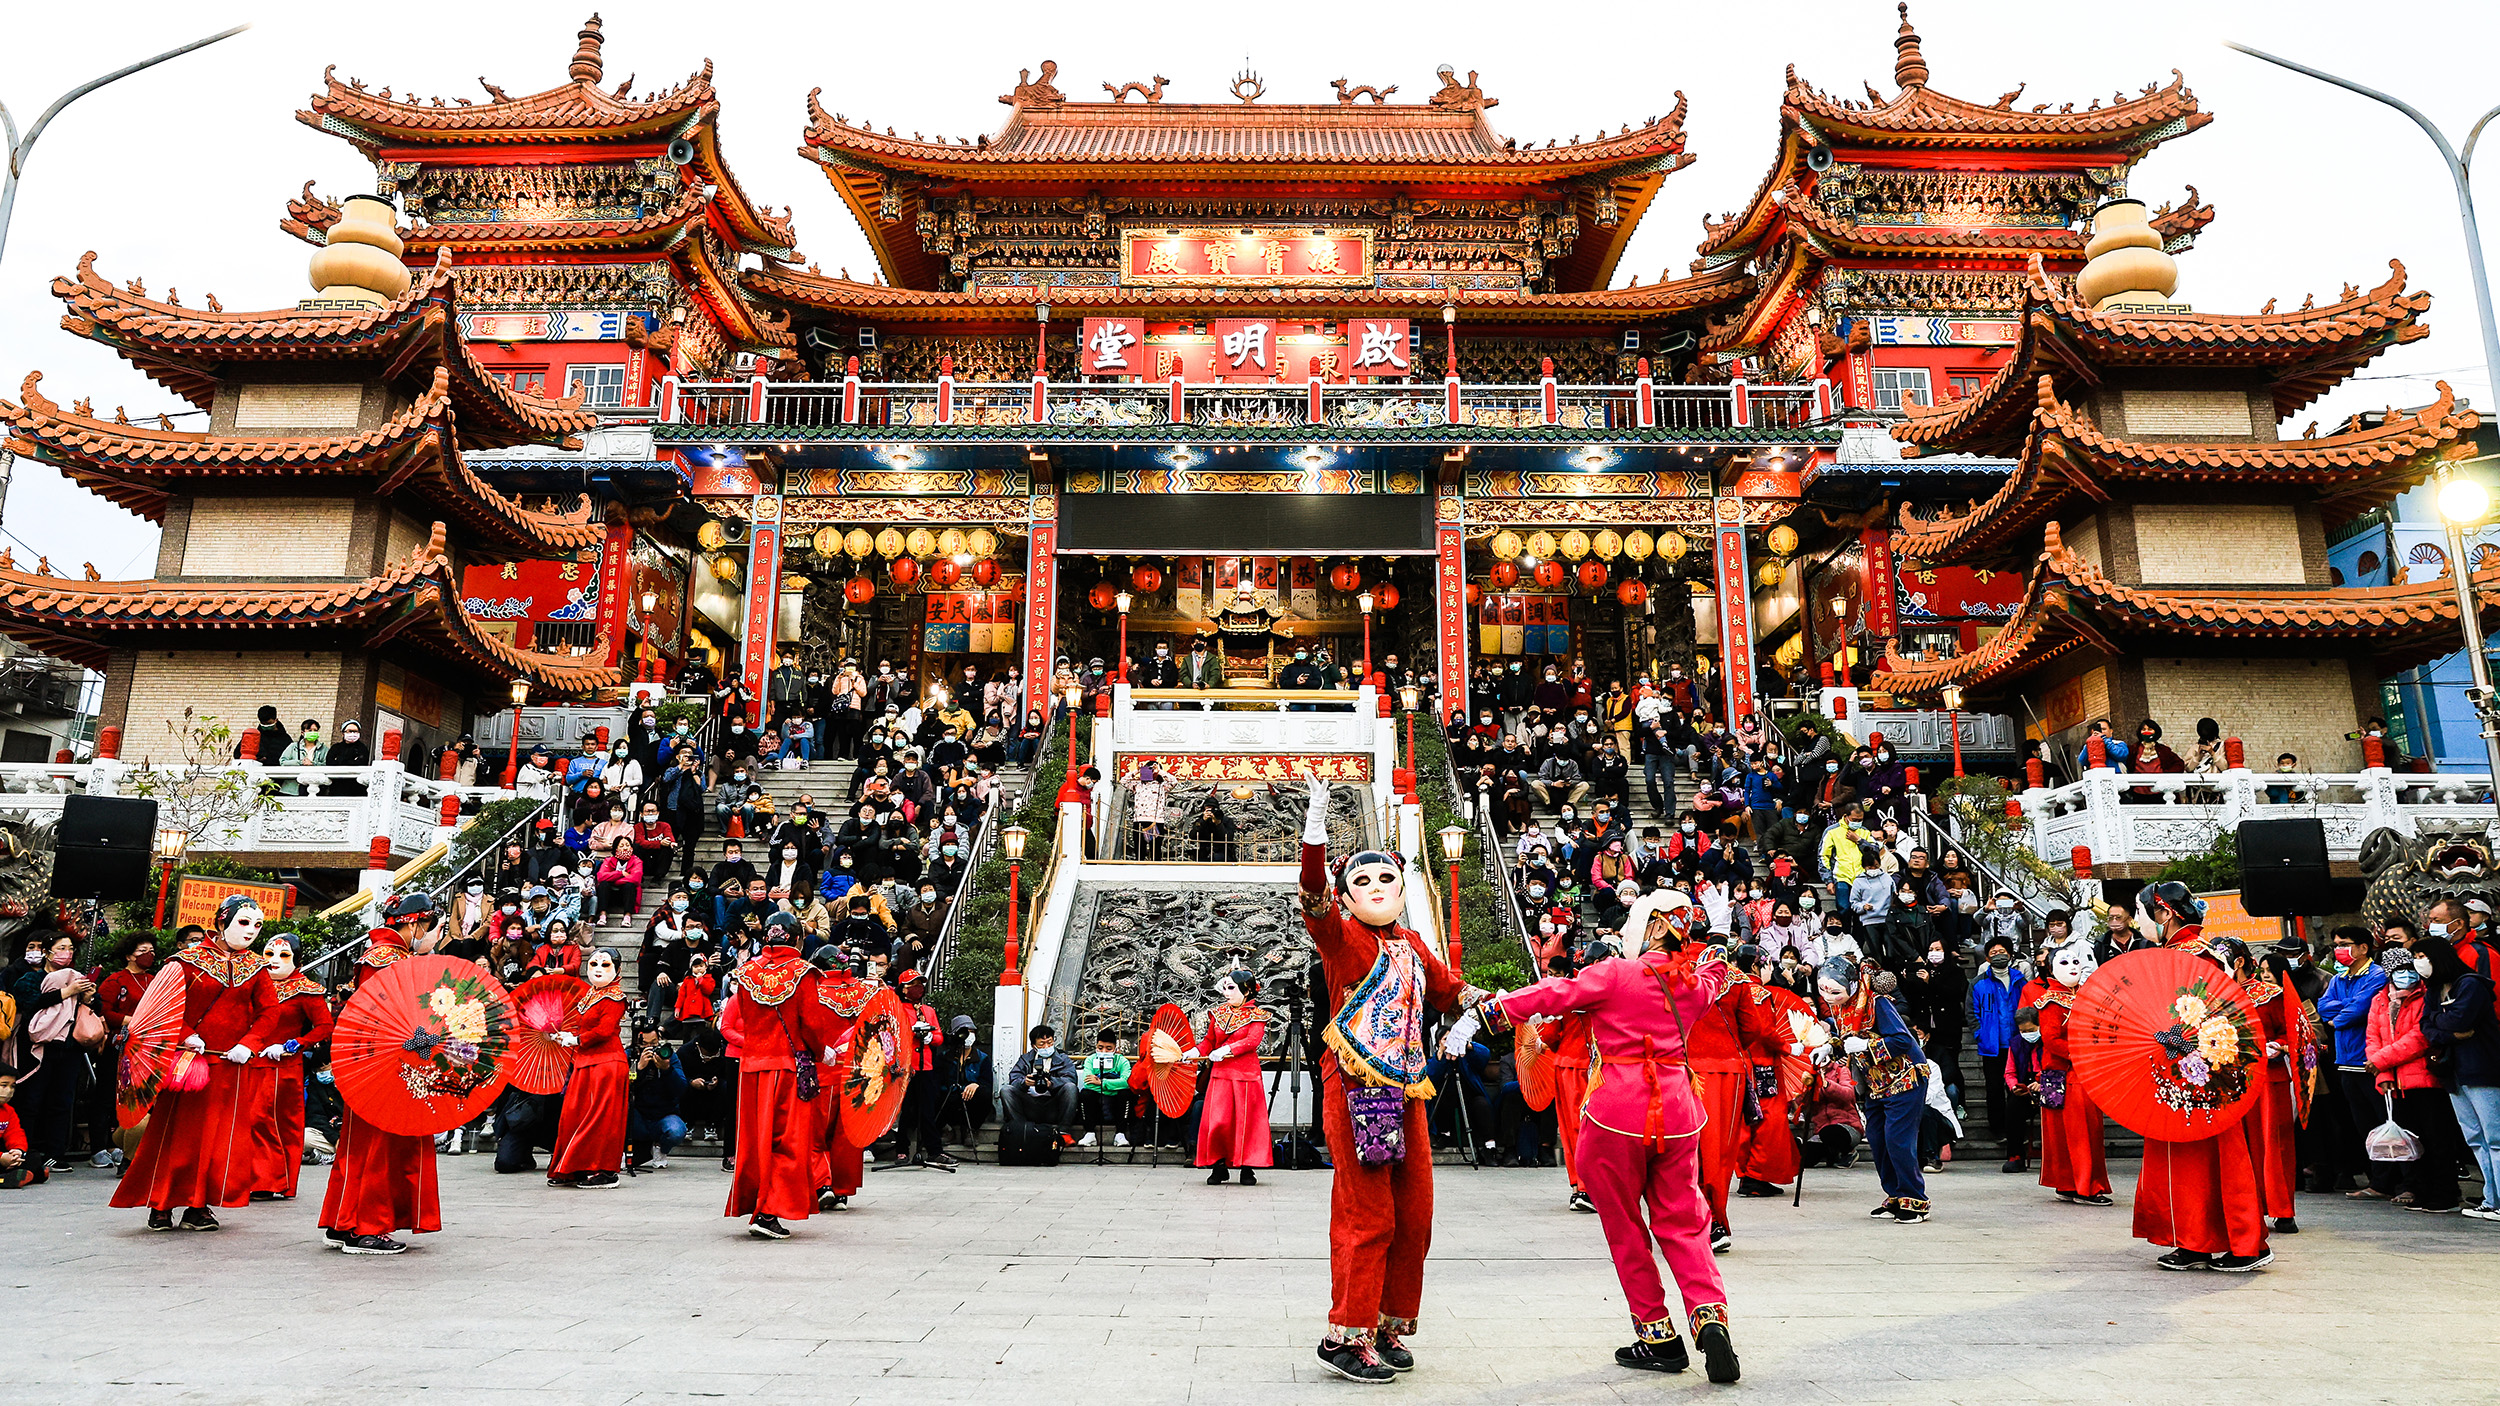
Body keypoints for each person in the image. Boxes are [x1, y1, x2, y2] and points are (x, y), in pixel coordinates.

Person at [1474, 891, 1747, 1384]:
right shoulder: (1695, 984)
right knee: (1685, 1223)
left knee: (1624, 1226)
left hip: (1616, 1112)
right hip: (1681, 1110)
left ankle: (1658, 1336)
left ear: (1656, 927)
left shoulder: (1615, 974)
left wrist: (1491, 1011)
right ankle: (1710, 1315)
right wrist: (1717, 938)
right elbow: (1716, 969)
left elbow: (1554, 994)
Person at [1295, 774, 1488, 1383]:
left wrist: (1488, 1002)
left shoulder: (1410, 943)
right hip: (1352, 1087)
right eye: (1362, 880)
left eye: (1387, 879)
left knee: (1416, 1211)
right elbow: (1312, 896)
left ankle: (1386, 1321)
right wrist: (1316, 833)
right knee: (1367, 1210)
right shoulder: (1341, 937)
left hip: (1406, 1087)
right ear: (1346, 896)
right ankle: (1346, 1334)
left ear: (1404, 890)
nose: (1375, 888)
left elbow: (1449, 989)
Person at [110, 900, 285, 1231]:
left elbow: (269, 1012)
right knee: (179, 1135)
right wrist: (187, 1035)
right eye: (245, 922)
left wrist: (248, 1045)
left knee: (219, 1140)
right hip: (190, 1065)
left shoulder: (258, 969)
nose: (251, 931)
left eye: (258, 926)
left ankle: (198, 1205)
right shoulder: (185, 962)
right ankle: (161, 1203)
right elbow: (162, 1007)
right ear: (223, 922)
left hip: (231, 1066)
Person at [319, 894, 449, 1255]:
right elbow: (388, 1018)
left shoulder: (380, 957)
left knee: (361, 1144)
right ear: (414, 925)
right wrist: (427, 1036)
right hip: (387, 1064)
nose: (434, 938)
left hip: (372, 1062)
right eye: (433, 929)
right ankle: (368, 1226)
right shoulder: (391, 960)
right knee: (381, 1145)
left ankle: (344, 1220)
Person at [718, 912, 836, 1240]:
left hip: (752, 1067)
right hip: (786, 1068)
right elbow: (811, 1024)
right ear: (797, 939)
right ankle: (768, 1210)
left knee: (756, 1142)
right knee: (788, 1141)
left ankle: (755, 1202)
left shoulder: (746, 972)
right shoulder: (803, 973)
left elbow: (739, 1015)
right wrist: (821, 1050)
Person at [1822, 956, 1931, 1223]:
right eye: (1823, 990)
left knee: (1897, 1140)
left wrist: (1868, 1047)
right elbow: (1846, 1038)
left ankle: (1915, 1200)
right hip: (1875, 1083)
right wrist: (1829, 1048)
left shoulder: (1877, 1003)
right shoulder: (1841, 1006)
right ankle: (1895, 1195)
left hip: (1904, 1079)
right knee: (1879, 1141)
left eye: (1834, 991)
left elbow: (1903, 1039)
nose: (1828, 996)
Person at [2368, 938, 2467, 1214]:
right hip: (2395, 1083)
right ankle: (2421, 1191)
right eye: (2399, 969)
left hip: (2424, 1079)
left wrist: (2379, 1061)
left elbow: (2419, 1038)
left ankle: (2445, 1193)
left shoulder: (2427, 996)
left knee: (2437, 1139)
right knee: (2413, 1142)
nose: (2407, 974)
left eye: (2410, 967)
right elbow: (2373, 1037)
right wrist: (2382, 1073)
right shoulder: (2380, 1000)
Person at [250, 935, 333, 1202]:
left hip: (283, 1067)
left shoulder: (306, 989)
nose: (274, 960)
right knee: (249, 1120)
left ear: (297, 958)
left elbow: (325, 1026)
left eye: (284, 955)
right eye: (268, 953)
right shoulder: (253, 983)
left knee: (274, 1122)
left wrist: (296, 1043)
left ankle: (273, 1180)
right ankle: (251, 1178)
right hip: (250, 1061)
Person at [2030, 939, 2111, 1204]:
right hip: (2067, 1074)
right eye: (2064, 962)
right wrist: (2082, 1053)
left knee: (2084, 1131)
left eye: (2076, 961)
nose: (2073, 967)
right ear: (2051, 970)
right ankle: (2084, 1186)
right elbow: (2051, 1039)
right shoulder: (2051, 1001)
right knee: (2078, 1132)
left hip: (2082, 1071)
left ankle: (2071, 1182)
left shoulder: (2086, 995)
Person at [546, 950, 629, 1189]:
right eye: (593, 963)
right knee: (574, 1114)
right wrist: (567, 1036)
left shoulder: (615, 997)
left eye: (605, 964)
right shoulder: (590, 995)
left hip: (607, 1063)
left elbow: (605, 1030)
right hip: (585, 1062)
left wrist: (576, 1039)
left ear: (617, 969)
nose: (598, 969)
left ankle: (605, 1170)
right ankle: (574, 1167)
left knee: (602, 1119)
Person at [1185, 970, 1273, 1185]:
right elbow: (1208, 1041)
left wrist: (1227, 1050)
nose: (1226, 993)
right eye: (1225, 988)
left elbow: (1252, 1041)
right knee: (1218, 1121)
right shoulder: (1218, 1014)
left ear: (1248, 990)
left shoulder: (1257, 1015)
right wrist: (1195, 1052)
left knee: (1246, 1123)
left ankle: (1247, 1167)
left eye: (1231, 988)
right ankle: (1218, 1165)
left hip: (1245, 1076)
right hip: (1221, 1075)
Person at [1005, 1024, 1079, 1130]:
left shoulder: (1063, 1059)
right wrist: (1024, 1083)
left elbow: (1071, 1079)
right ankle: (1020, 1130)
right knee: (1006, 1090)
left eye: (1049, 1042)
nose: (1046, 1047)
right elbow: (1014, 1079)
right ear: (1033, 1045)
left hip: (1053, 1105)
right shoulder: (1025, 1059)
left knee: (1071, 1088)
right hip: (1030, 1104)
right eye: (1041, 1044)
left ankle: (1064, 1131)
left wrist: (1051, 1083)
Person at [1077, 1031, 1132, 1149]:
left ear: (1114, 1048)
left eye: (1108, 1048)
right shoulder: (1090, 1060)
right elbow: (1088, 1083)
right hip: (1097, 1099)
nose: (1104, 1052)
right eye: (1100, 1048)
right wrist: (1114, 1086)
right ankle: (1090, 1133)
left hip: (1116, 1100)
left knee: (1125, 1093)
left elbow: (1127, 1082)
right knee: (1085, 1094)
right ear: (1096, 1046)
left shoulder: (1122, 1061)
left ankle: (1120, 1134)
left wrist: (1102, 1083)